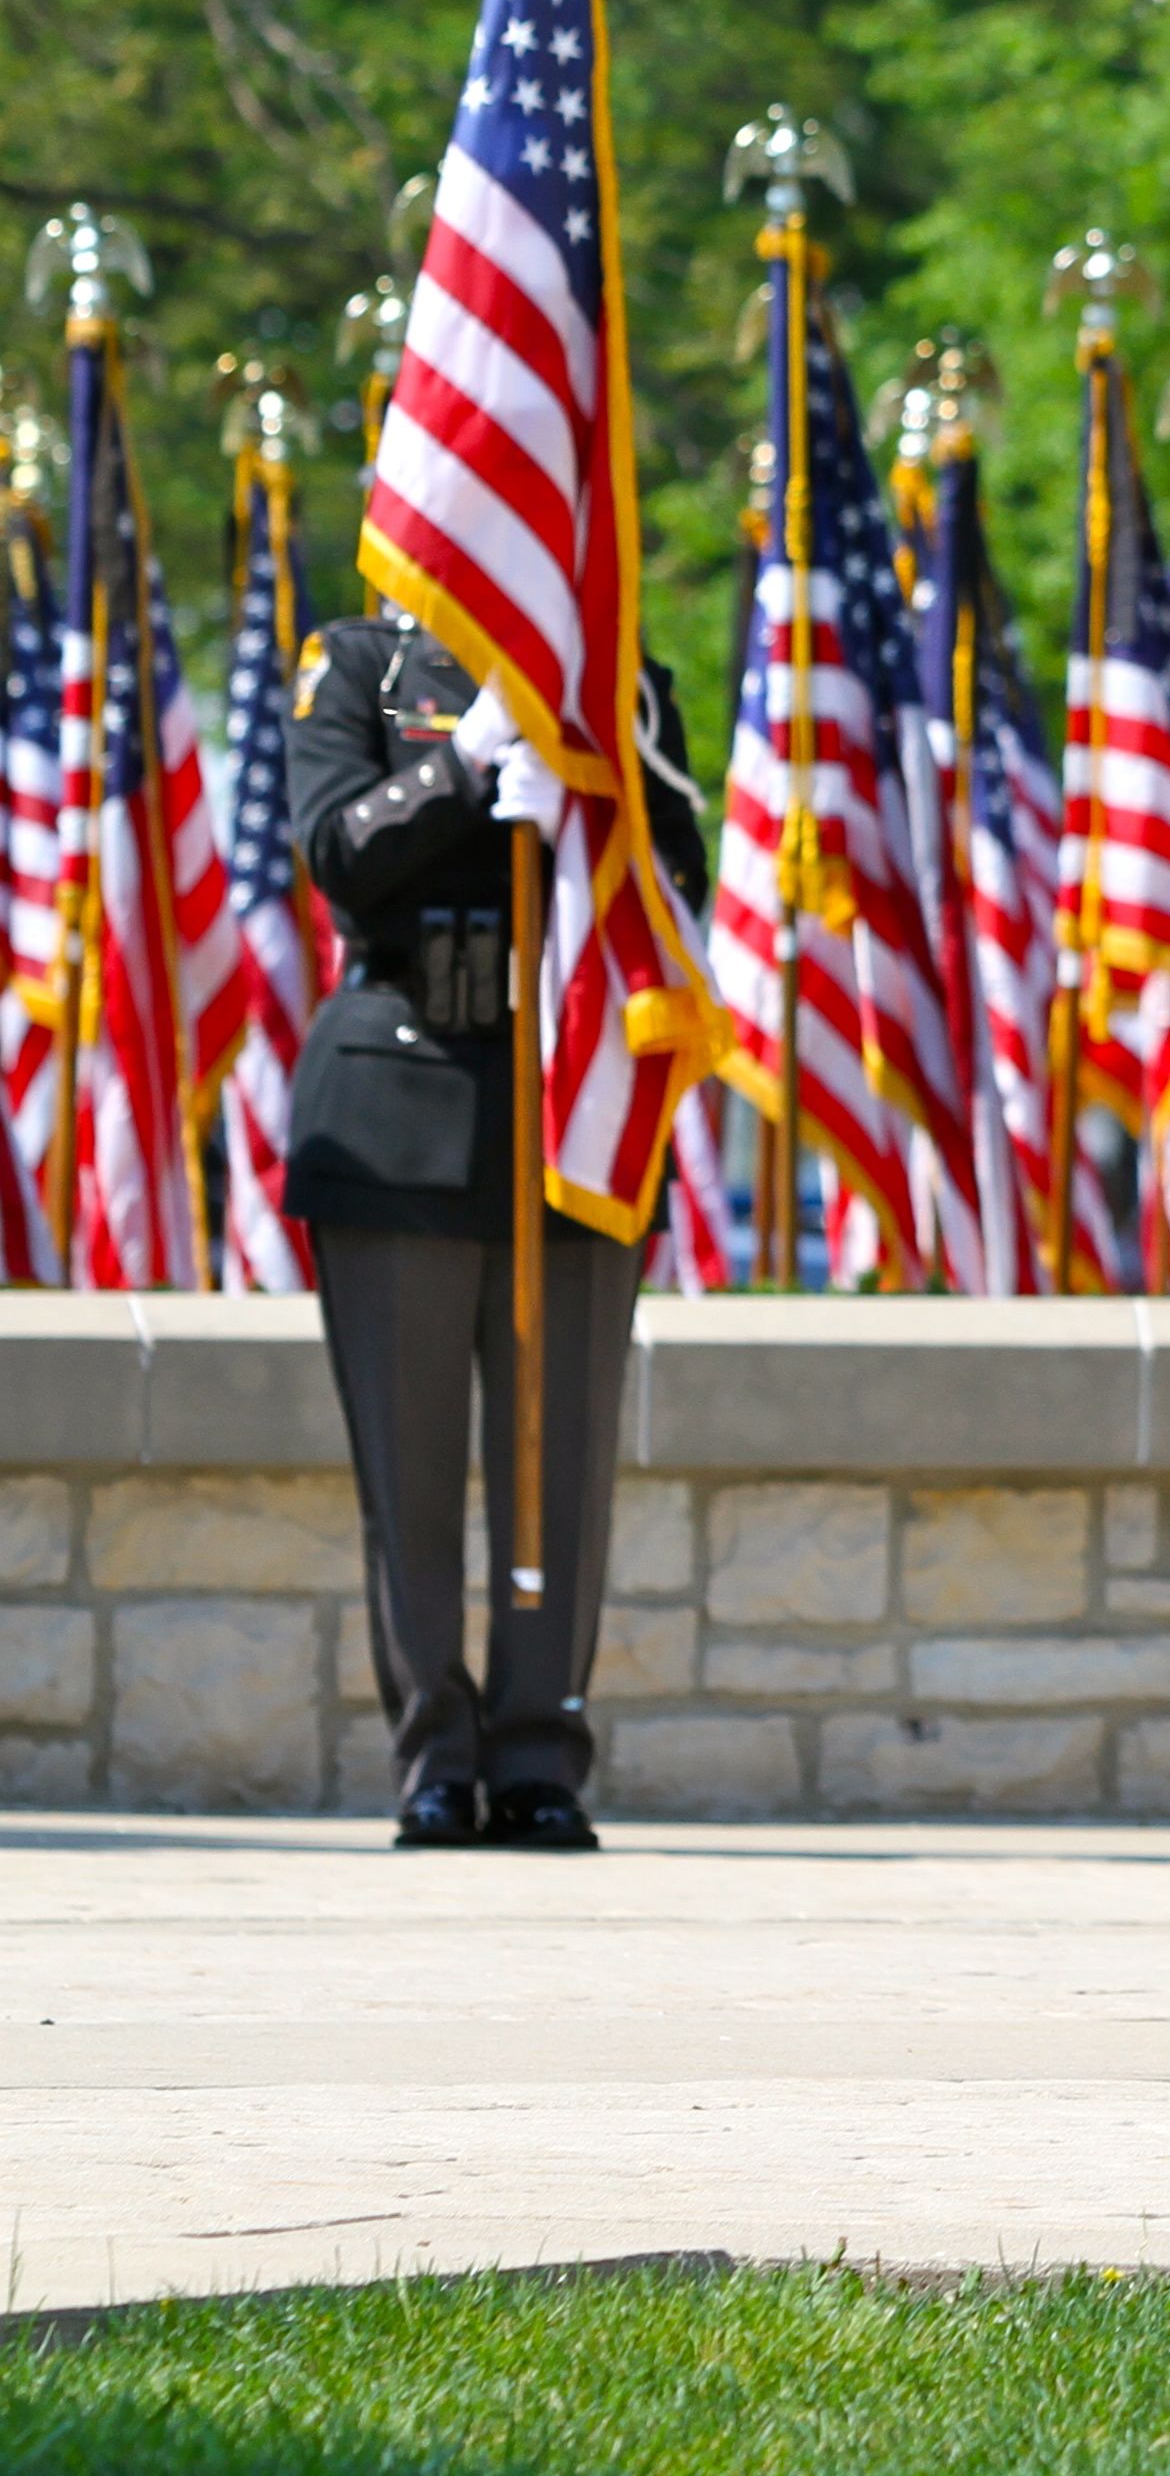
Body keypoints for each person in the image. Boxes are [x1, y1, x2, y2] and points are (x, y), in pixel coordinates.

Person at [285, 611, 710, 1853]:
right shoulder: (359, 667)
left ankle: (540, 1754)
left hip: (570, 1106)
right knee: (409, 1472)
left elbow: (679, 876)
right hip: (400, 1101)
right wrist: (459, 770)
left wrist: (588, 818)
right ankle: (436, 1751)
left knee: (564, 1462)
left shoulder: (616, 674)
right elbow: (337, 852)